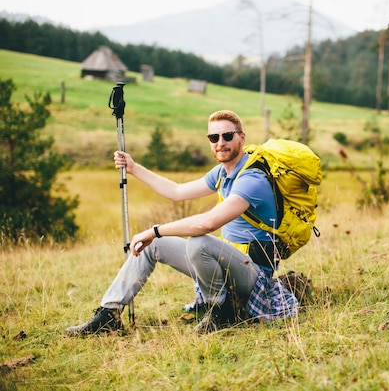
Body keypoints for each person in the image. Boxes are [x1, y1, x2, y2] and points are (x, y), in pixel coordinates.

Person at [65, 110, 298, 336]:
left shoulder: (252, 179)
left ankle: (221, 312)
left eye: (228, 136)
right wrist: (134, 168)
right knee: (156, 245)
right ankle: (108, 316)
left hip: (253, 276)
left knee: (199, 241)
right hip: (227, 267)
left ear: (242, 137)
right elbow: (176, 191)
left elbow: (208, 223)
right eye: (213, 137)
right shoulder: (222, 173)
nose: (220, 142)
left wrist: (154, 230)